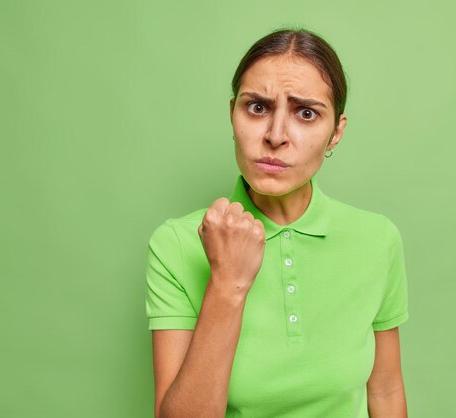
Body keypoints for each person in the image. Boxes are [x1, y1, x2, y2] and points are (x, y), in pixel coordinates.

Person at [145, 27, 409, 418]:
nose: (275, 135)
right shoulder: (177, 244)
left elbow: (385, 392)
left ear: (336, 132)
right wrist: (227, 284)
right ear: (232, 113)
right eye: (257, 108)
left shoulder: (377, 239)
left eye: (306, 113)